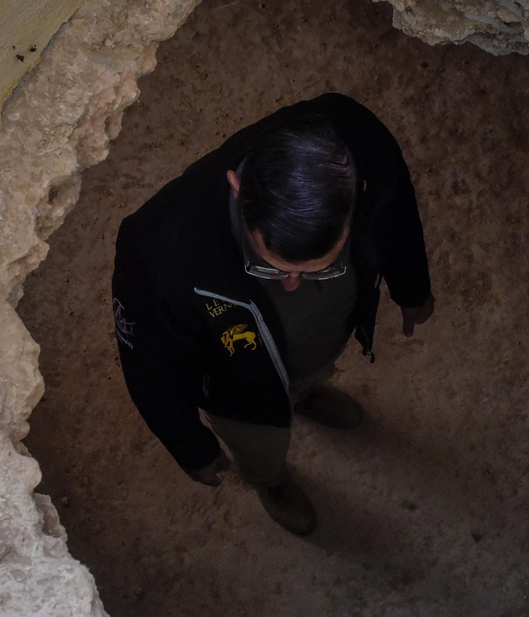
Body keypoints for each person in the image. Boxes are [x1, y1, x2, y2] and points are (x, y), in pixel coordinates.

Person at [111, 93, 435, 536]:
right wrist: (192, 448)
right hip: (240, 389)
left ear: (357, 195)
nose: (291, 285)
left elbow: (397, 212)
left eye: (319, 268)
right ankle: (270, 480)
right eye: (270, 265)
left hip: (321, 336)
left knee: (315, 367)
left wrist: (412, 286)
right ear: (237, 188)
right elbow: (148, 362)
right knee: (259, 444)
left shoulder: (361, 140)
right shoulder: (157, 247)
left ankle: (304, 393)